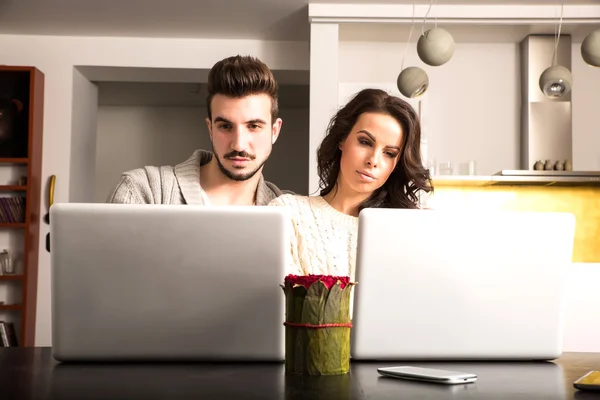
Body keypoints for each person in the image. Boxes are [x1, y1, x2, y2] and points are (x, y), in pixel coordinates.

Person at [269, 88, 433, 281]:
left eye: (389, 153)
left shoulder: (407, 229)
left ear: (396, 164)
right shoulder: (288, 213)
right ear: (342, 139)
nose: (373, 160)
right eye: (365, 142)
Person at [108, 55, 286, 206]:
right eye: (225, 126)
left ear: (274, 131)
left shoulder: (292, 210)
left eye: (254, 126)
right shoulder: (143, 190)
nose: (238, 144)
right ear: (210, 128)